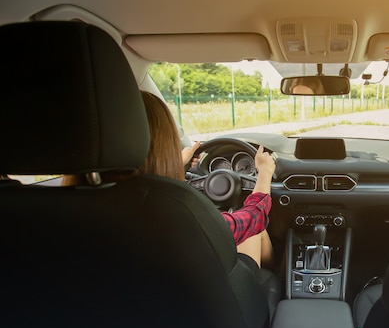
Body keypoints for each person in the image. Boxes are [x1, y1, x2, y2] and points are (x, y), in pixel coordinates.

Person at [63, 90, 274, 268]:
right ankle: (277, 285)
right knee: (256, 232)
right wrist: (264, 174)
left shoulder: (61, 218)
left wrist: (176, 166)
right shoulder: (182, 221)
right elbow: (253, 217)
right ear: (164, 150)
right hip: (201, 310)